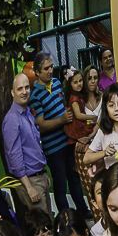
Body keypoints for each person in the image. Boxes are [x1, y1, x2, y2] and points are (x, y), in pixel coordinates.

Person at [28, 52, 88, 216]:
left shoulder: (56, 83)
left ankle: (83, 211)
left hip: (68, 141)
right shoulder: (34, 96)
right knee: (61, 185)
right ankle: (65, 217)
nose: (50, 71)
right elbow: (40, 126)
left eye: (51, 67)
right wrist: (62, 120)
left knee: (75, 179)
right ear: (37, 72)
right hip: (53, 149)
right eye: (45, 68)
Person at [2, 74, 50, 214]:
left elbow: (34, 147)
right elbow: (14, 156)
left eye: (27, 87)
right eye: (20, 89)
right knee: (42, 228)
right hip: (30, 181)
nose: (24, 92)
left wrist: (43, 173)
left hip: (39, 176)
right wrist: (29, 187)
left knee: (48, 222)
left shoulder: (27, 111)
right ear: (13, 93)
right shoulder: (12, 119)